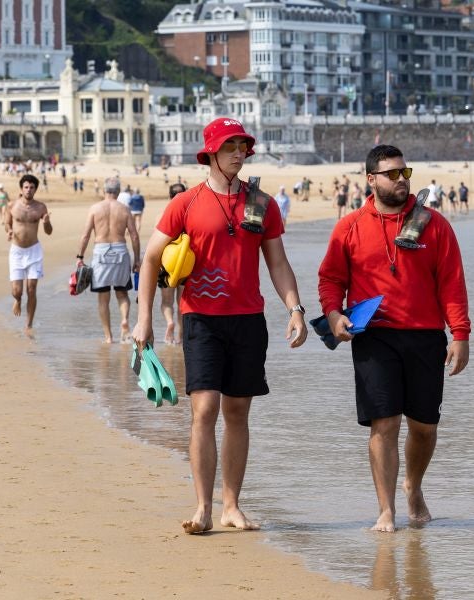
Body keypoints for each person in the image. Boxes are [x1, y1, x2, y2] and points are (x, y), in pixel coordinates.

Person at [132, 117, 308, 534]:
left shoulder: (260, 204)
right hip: (201, 320)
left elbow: (278, 263)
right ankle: (202, 507)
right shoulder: (186, 203)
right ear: (210, 152)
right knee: (205, 409)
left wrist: (296, 309)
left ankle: (231, 505)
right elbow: (151, 258)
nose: (239, 153)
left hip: (248, 320)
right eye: (231, 146)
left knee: (237, 412)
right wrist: (144, 319)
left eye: (243, 146)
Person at [317, 144, 470, 533]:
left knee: (424, 427)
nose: (402, 180)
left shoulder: (433, 224)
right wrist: (334, 315)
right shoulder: (349, 227)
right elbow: (331, 278)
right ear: (371, 179)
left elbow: (451, 282)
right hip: (375, 338)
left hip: (425, 337)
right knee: (383, 424)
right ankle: (385, 510)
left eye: (406, 173)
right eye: (392, 174)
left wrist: (460, 334)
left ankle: (413, 486)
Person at [76, 177, 141, 344]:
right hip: (120, 249)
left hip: (101, 251)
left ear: (104, 191)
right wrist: (136, 260)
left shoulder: (95, 208)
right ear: (118, 192)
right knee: (122, 293)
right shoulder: (125, 209)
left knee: (103, 298)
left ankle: (108, 336)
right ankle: (124, 320)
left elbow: (85, 235)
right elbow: (134, 235)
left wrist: (80, 257)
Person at [4, 175, 52, 335]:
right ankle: (17, 300)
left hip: (34, 251)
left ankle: (28, 324)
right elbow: (7, 223)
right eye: (26, 187)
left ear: (35, 189)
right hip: (17, 252)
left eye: (31, 187)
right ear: (21, 188)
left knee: (31, 289)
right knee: (17, 291)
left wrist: (46, 222)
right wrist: (9, 231)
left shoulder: (40, 208)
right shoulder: (12, 205)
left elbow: (49, 232)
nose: (28, 190)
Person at [160, 182, 187, 345]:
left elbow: (157, 245)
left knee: (166, 302)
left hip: (167, 265)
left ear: (169, 196)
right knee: (182, 303)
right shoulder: (189, 214)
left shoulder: (163, 214)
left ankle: (169, 322)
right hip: (185, 265)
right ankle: (180, 335)